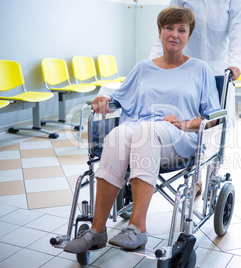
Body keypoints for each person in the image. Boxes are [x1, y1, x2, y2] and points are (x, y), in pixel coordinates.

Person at [63, 6, 220, 253]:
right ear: (159, 32)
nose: (175, 34)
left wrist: (183, 123)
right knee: (117, 133)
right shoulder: (143, 67)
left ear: (189, 36)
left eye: (182, 30)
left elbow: (211, 118)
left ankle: (138, 228)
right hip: (139, 134)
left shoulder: (200, 69)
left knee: (145, 131)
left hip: (179, 139)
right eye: (169, 28)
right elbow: (117, 97)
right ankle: (97, 230)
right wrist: (102, 99)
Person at [150, 0, 241, 197]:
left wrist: (235, 63)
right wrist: (153, 62)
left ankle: (212, 177)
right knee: (189, 125)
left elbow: (239, 29)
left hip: (219, 69)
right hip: (186, 68)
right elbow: (168, 24)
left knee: (214, 127)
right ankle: (196, 180)